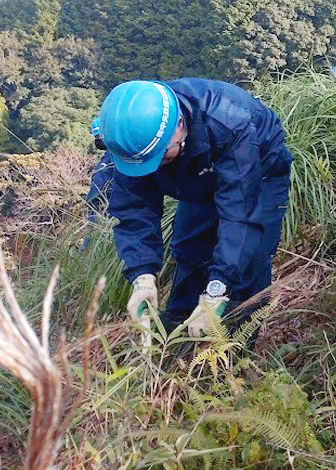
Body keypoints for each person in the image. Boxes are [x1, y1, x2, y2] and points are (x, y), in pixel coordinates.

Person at [98, 78, 293, 337]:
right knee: (190, 249)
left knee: (248, 259)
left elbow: (240, 215)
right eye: (144, 163)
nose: (153, 168)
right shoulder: (130, 141)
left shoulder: (228, 123)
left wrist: (218, 288)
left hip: (258, 171)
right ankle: (176, 339)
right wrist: (141, 275)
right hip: (194, 168)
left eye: (160, 156)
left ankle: (234, 352)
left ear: (179, 125)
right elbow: (134, 211)